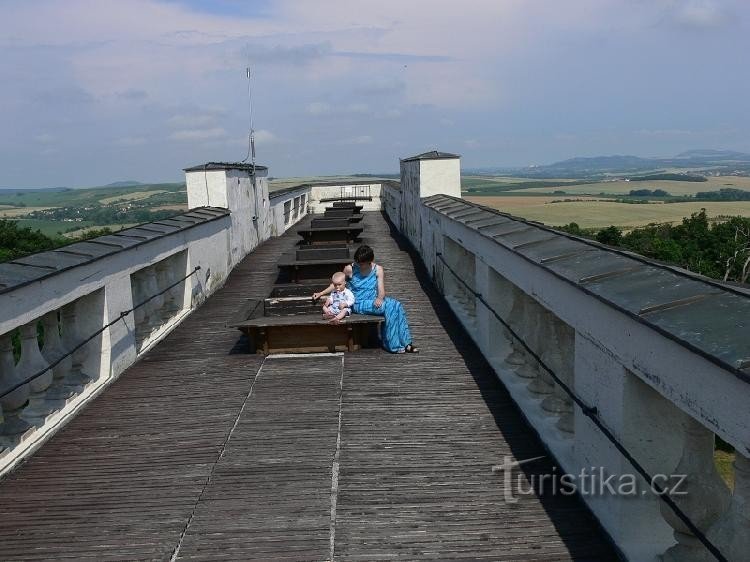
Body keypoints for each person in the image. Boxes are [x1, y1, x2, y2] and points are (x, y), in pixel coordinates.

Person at [313, 245, 419, 353]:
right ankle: (393, 345)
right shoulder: (350, 269)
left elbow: (381, 290)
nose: (359, 265)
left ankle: (406, 343)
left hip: (373, 300)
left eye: (362, 263)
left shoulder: (378, 269)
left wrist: (380, 297)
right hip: (358, 303)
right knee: (390, 307)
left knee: (397, 305)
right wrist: (321, 293)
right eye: (358, 262)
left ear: (370, 261)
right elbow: (336, 283)